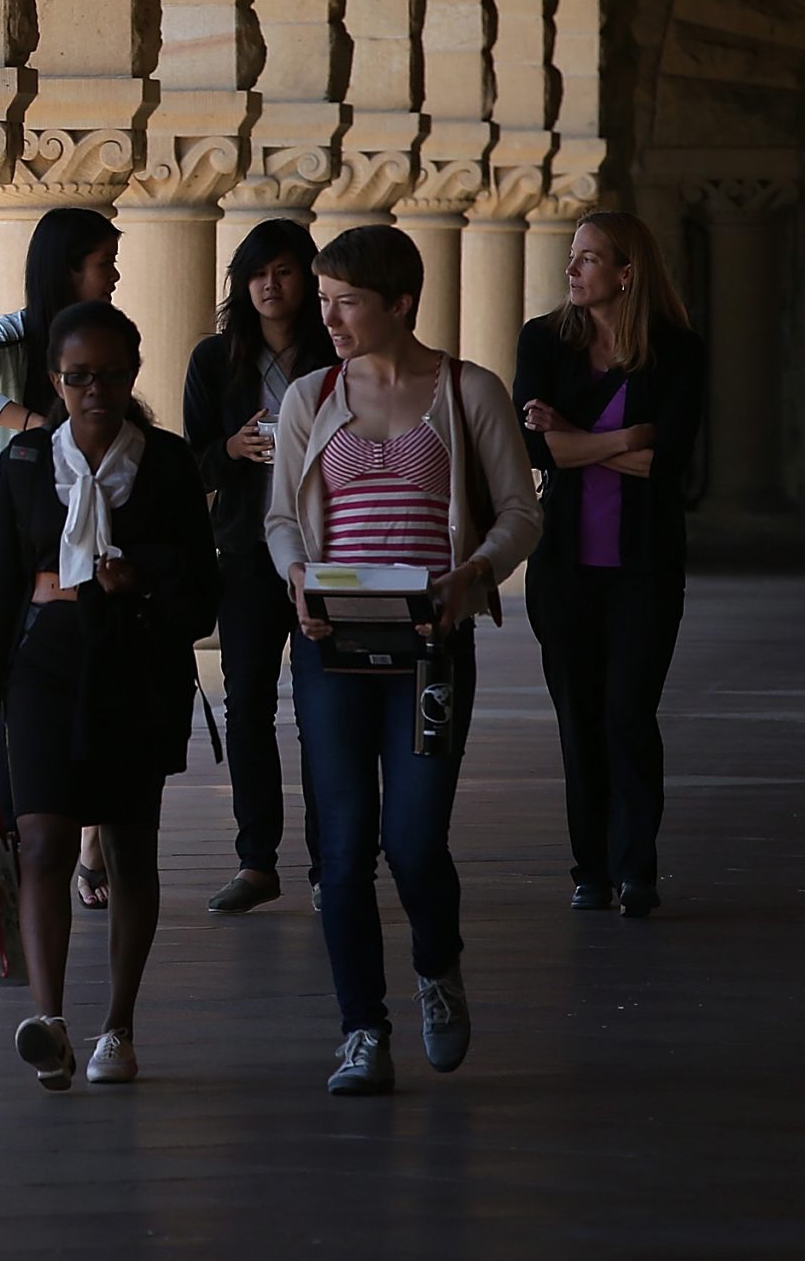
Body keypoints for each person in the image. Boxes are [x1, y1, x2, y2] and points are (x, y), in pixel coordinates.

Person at [265, 225, 540, 1097]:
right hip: (331, 649)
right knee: (342, 852)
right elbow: (280, 519)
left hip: (429, 647)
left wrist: (475, 572)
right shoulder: (312, 395)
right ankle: (361, 1029)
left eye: (347, 301)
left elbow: (521, 513)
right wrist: (297, 573)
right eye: (324, 300)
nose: (330, 317)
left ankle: (435, 967)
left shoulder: (468, 391)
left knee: (414, 840)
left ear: (400, 304)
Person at [0, 301, 220, 1090]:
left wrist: (139, 578)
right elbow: (0, 587)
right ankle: (52, 1019)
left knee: (131, 845)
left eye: (109, 374)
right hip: (46, 663)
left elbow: (202, 594)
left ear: (133, 375)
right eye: (78, 377)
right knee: (41, 839)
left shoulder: (169, 464)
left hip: (136, 660)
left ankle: (119, 1025)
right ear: (55, 380)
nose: (94, 390)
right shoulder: (28, 461)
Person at [512, 211, 705, 920]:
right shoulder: (544, 341)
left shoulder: (678, 352)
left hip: (645, 566)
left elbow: (668, 461)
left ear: (627, 273)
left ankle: (636, 867)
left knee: (628, 710)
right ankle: (589, 868)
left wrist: (572, 436)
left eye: (590, 258)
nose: (574, 269)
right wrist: (623, 438)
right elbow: (534, 451)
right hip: (563, 567)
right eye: (573, 256)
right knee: (579, 719)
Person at [0, 207, 121, 902]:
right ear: (69, 265)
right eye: (104, 260)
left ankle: (87, 841)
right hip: (5, 534)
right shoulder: (12, 332)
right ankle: (15, 861)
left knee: (87, 691)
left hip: (83, 538)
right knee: (6, 694)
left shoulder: (104, 339)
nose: (114, 273)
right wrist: (35, 421)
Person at [183, 218, 335, 916]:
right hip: (245, 551)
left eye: (283, 271)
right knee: (247, 704)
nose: (270, 286)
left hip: (325, 550)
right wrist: (232, 449)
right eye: (256, 274)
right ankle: (256, 859)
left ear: (308, 277)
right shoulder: (216, 360)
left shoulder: (335, 351)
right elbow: (189, 463)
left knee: (321, 707)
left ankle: (329, 861)